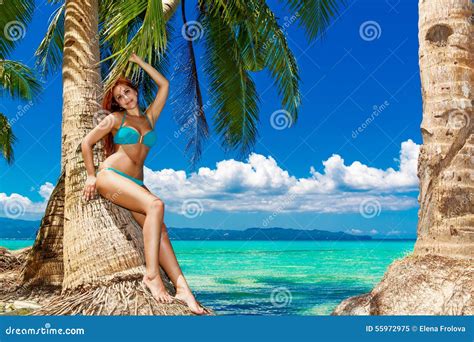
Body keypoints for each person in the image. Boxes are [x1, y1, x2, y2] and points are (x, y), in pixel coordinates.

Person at [81, 53, 209, 315]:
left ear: (134, 91)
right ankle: (152, 276)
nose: (125, 98)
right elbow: (86, 142)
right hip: (111, 177)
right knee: (156, 204)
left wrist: (140, 63)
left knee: (160, 228)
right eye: (119, 97)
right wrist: (91, 175)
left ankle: (183, 288)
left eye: (127, 92)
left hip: (135, 182)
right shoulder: (115, 120)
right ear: (115, 103)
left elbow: (164, 85)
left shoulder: (149, 118)